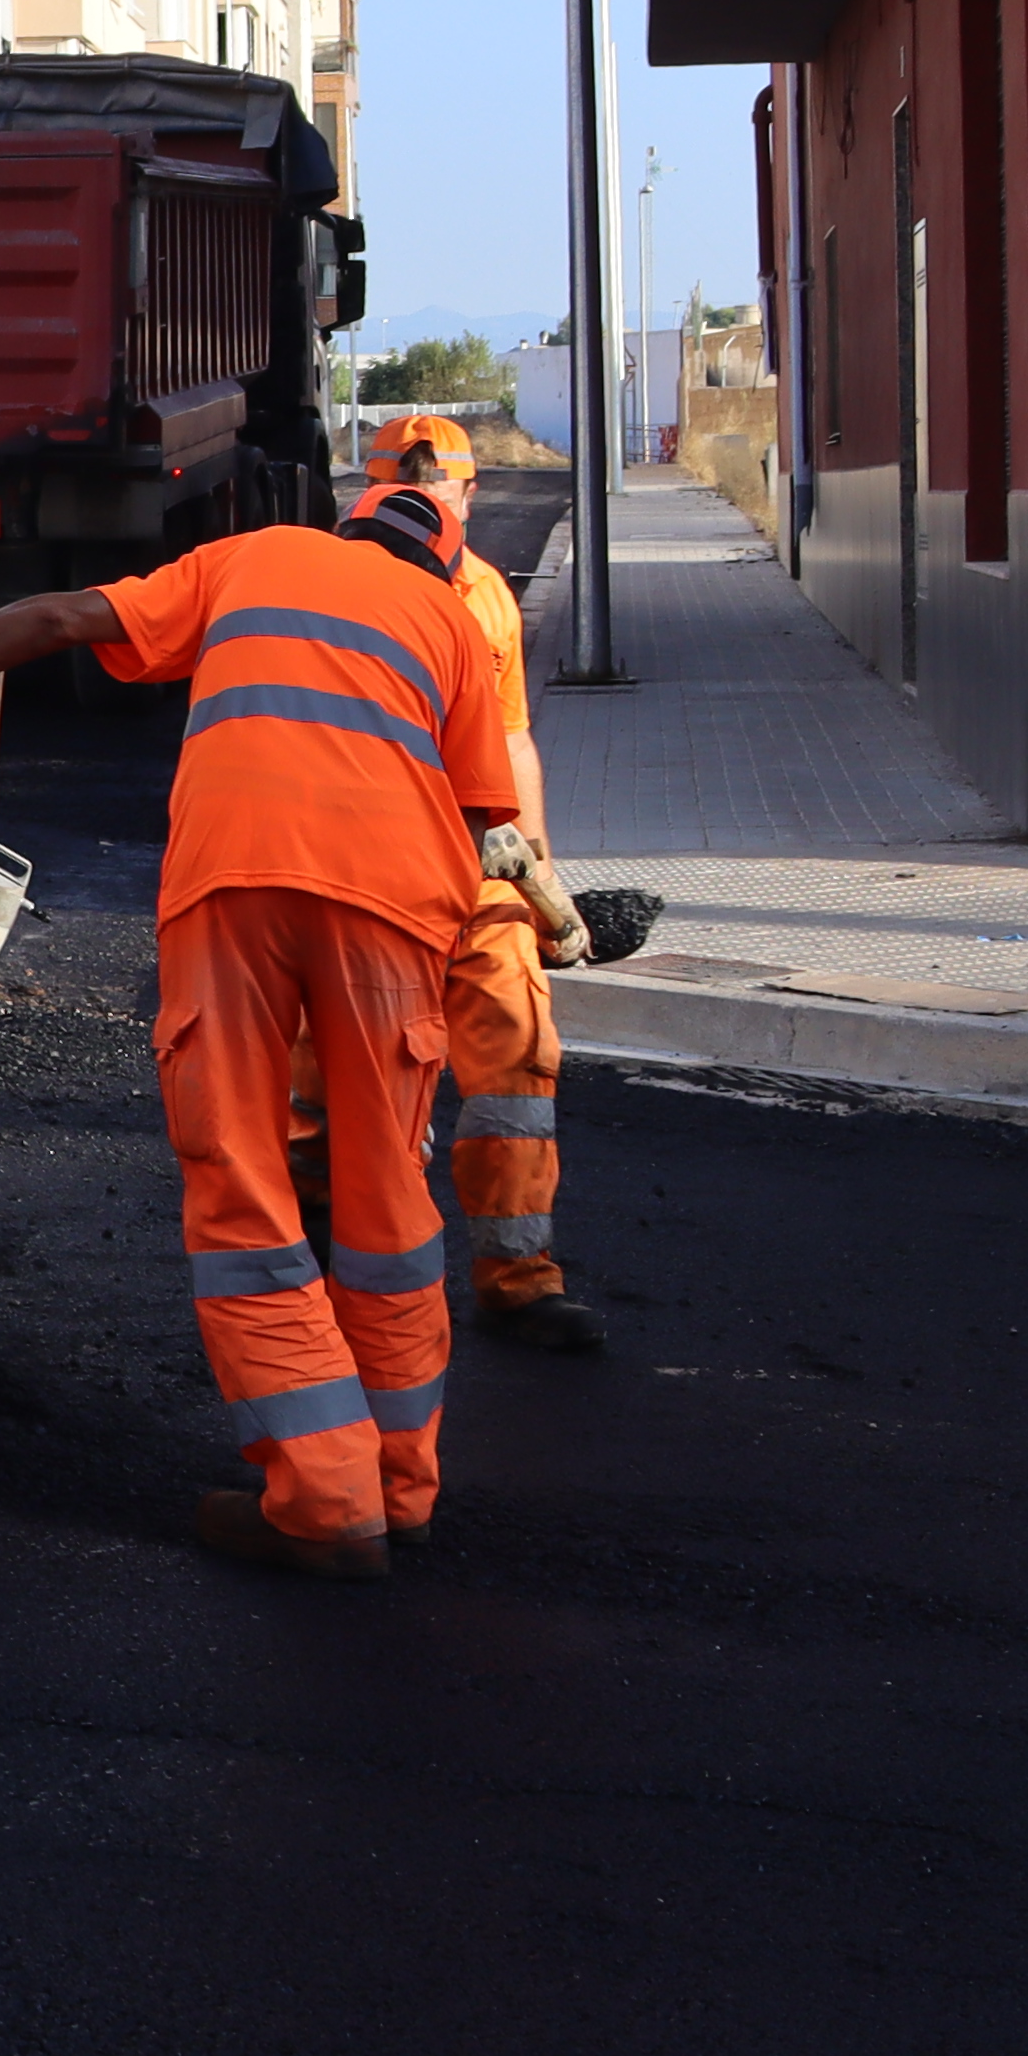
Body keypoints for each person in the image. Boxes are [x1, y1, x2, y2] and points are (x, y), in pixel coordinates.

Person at [0, 465, 522, 1581]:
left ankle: (327, 1500)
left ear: (341, 527)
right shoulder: (455, 622)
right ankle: (399, 1488)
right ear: (440, 561)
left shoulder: (259, 555)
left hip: (235, 886)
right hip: (397, 914)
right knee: (388, 1199)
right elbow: (484, 823)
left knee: (244, 1181)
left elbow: (58, 618)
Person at [360, 410, 604, 1356]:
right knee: (353, 1075)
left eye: (445, 489)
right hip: (381, 875)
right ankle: (342, 1265)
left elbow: (511, 741)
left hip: (482, 872)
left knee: (516, 1056)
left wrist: (542, 875)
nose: (436, 505)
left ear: (467, 493)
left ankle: (518, 1275)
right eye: (415, 489)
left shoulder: (490, 597)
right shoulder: (348, 590)